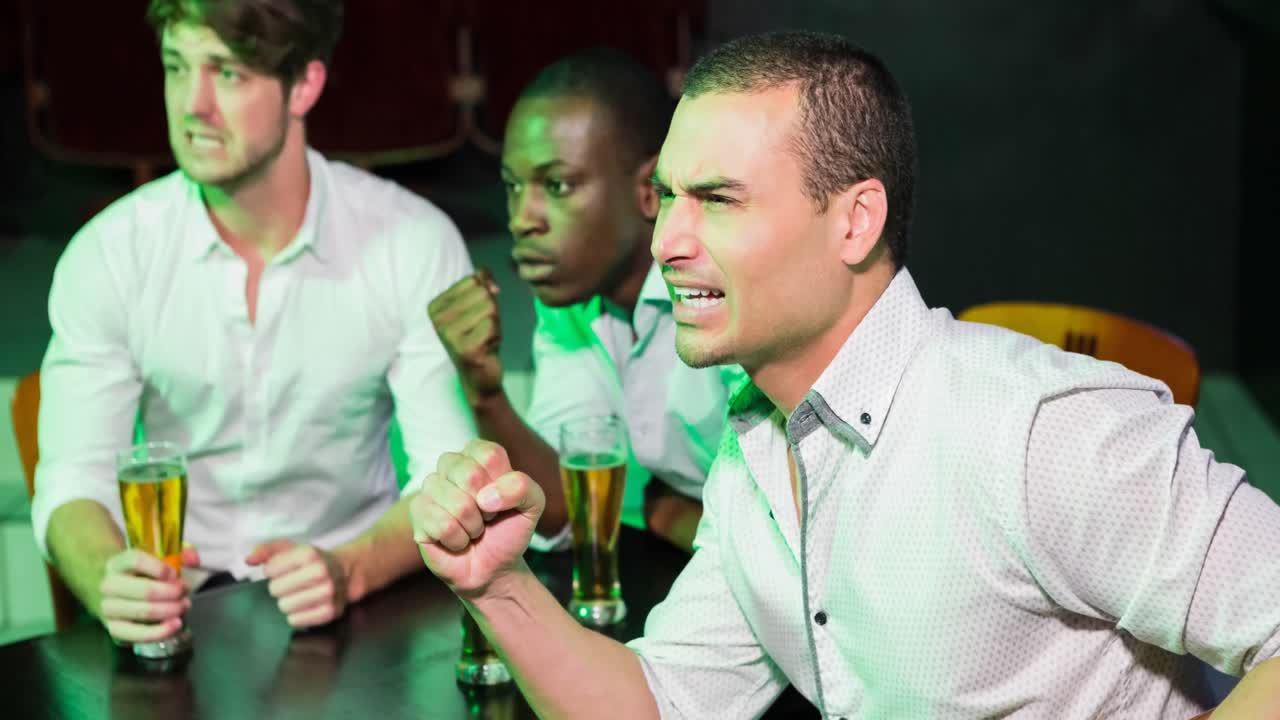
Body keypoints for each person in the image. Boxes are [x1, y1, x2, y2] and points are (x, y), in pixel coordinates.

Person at [411, 31, 1280, 719]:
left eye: (716, 198)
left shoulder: (1031, 428)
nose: (668, 239)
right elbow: (657, 703)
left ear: (855, 222)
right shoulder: (753, 453)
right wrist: (497, 584)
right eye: (667, 197)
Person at [32, 0, 476, 647]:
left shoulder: (411, 243)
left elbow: (449, 473)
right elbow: (73, 479)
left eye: (228, 74)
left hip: (361, 600)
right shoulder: (110, 252)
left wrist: (351, 569)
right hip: (183, 609)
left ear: (305, 85)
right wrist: (107, 576)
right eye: (176, 67)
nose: (193, 105)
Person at [428, 49, 743, 553]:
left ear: (649, 189)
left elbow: (788, 536)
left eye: (557, 185)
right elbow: (561, 512)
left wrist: (671, 515)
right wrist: (484, 391)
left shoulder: (730, 289)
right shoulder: (569, 306)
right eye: (513, 185)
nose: (521, 219)